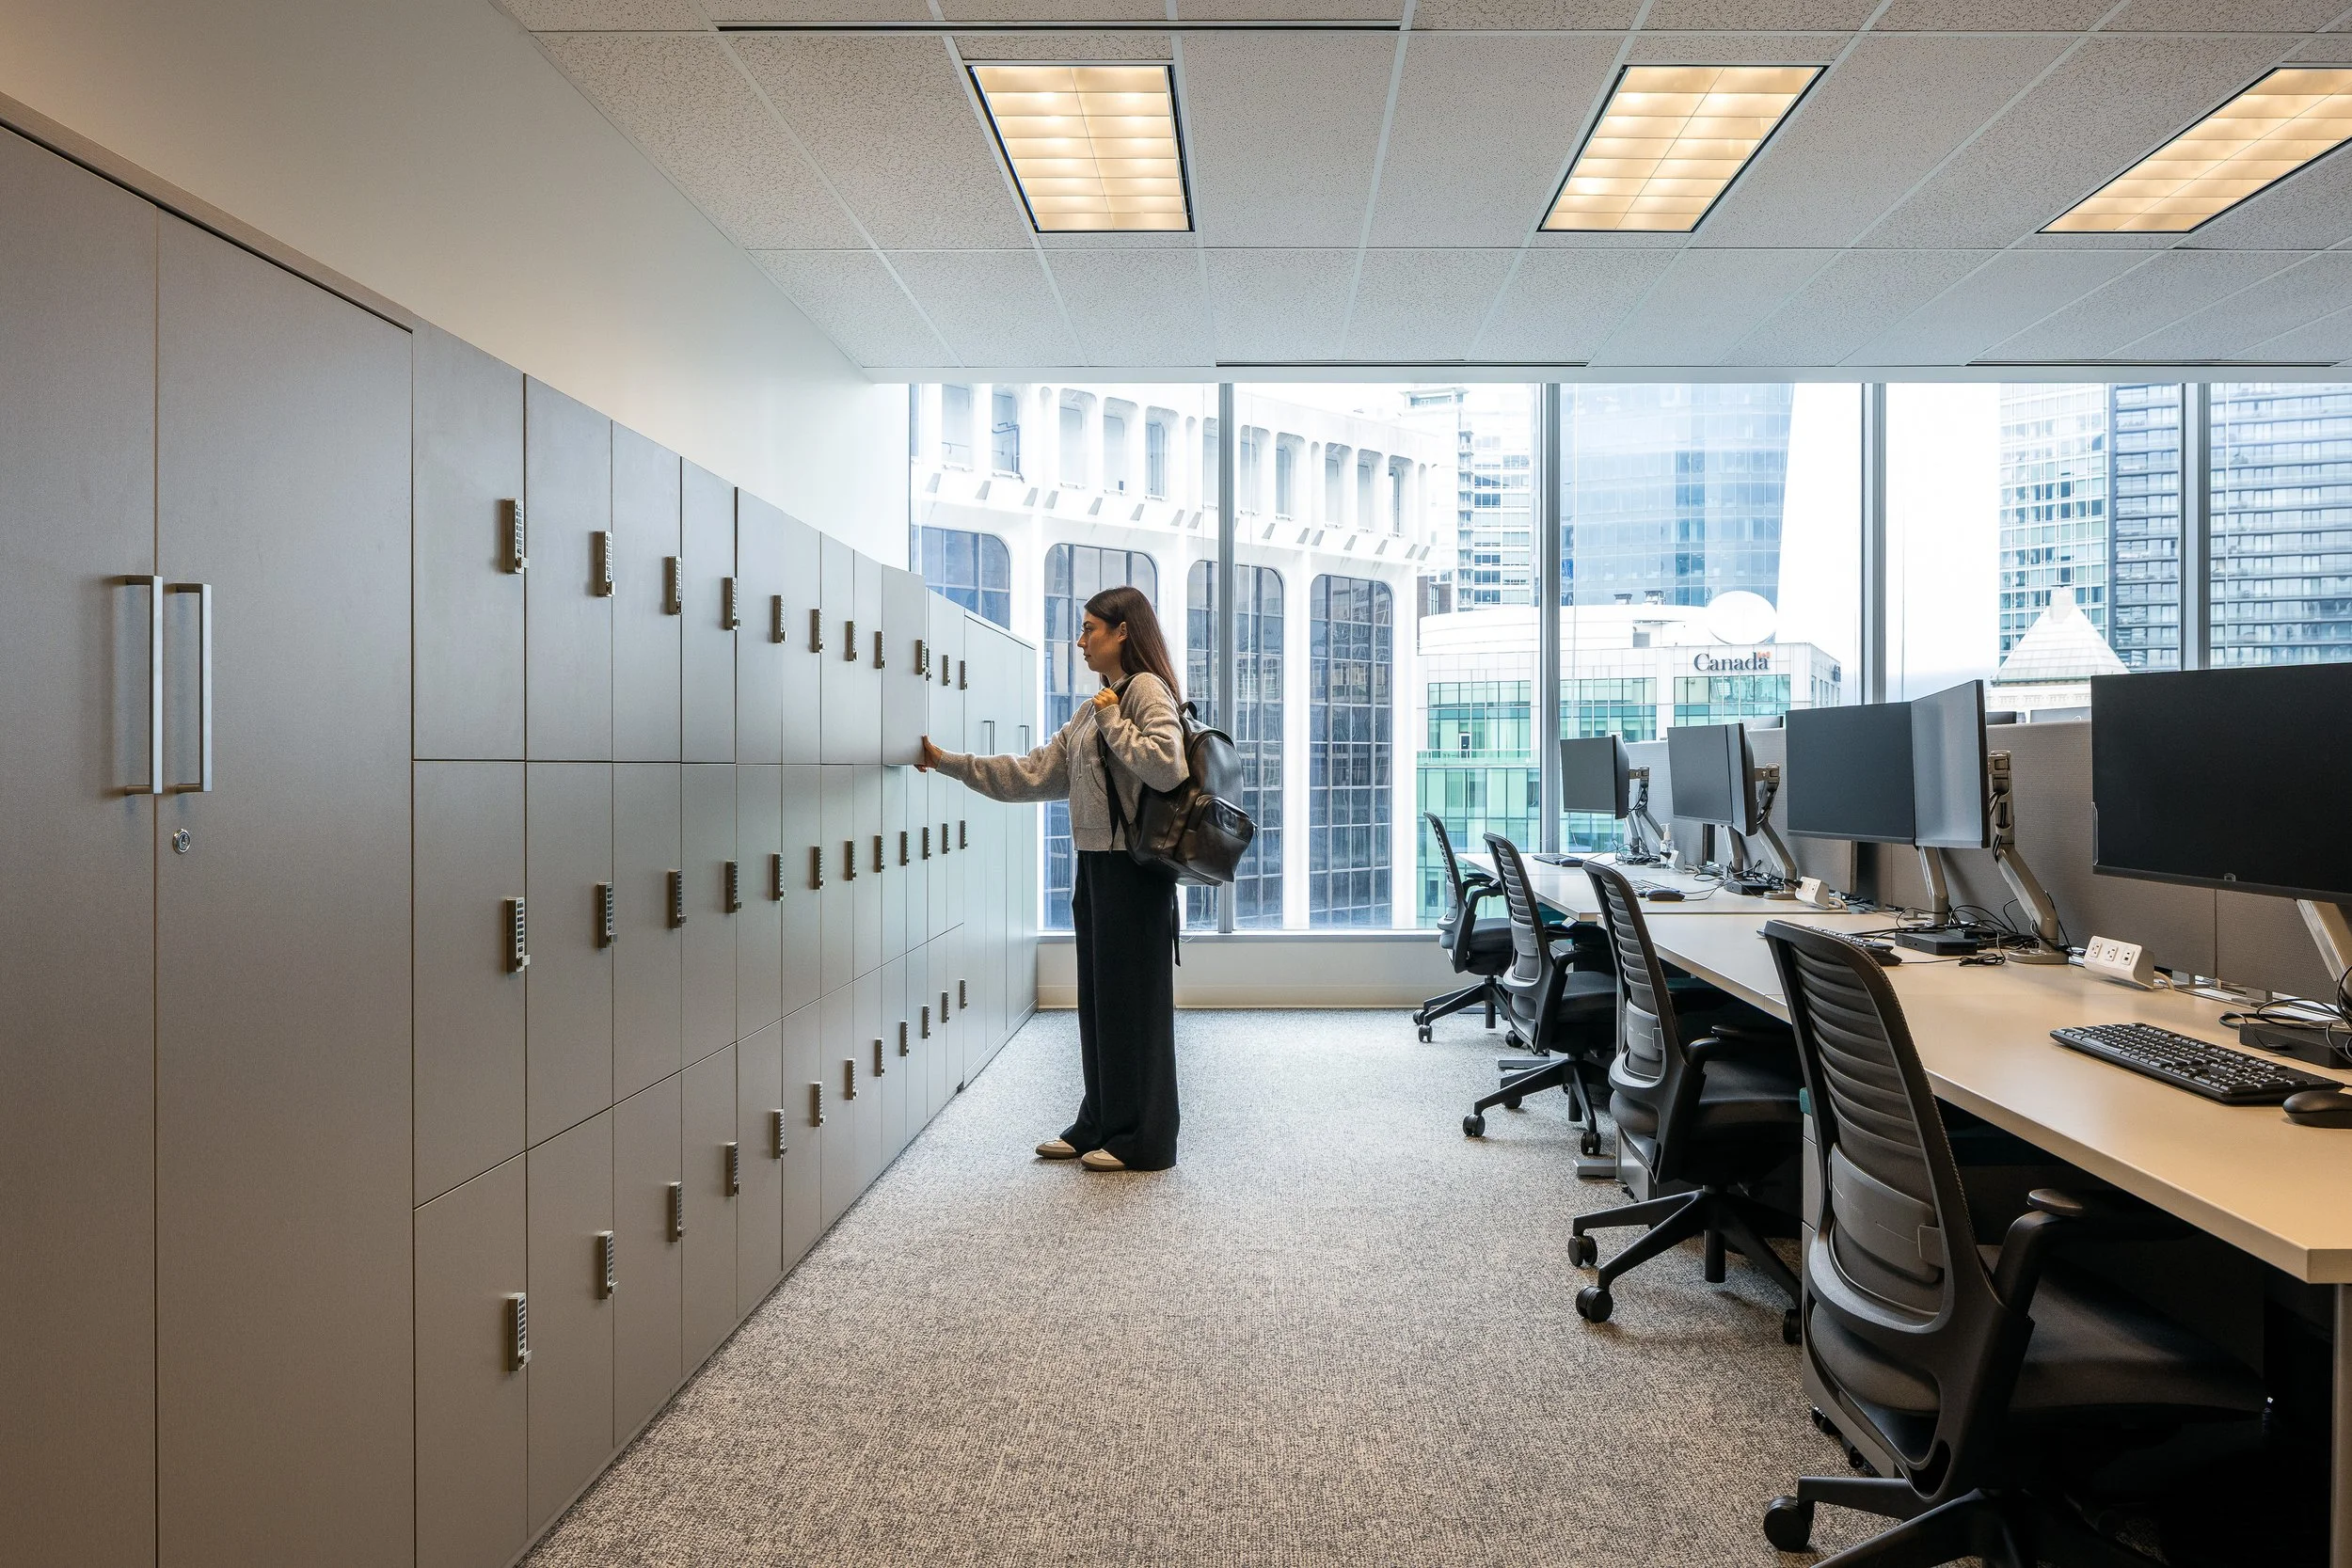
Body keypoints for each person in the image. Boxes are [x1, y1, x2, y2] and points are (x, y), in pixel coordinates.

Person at [919, 584, 1187, 1172]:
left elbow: (1167, 767)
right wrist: (950, 764)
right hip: (1096, 864)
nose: (1081, 640)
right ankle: (1100, 1118)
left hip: (1135, 871)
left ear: (1123, 633)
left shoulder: (1140, 691)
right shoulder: (1096, 705)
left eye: (1091, 628)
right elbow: (1036, 773)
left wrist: (1114, 720)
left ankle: (1144, 1139)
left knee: (1134, 1005)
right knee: (1100, 1002)